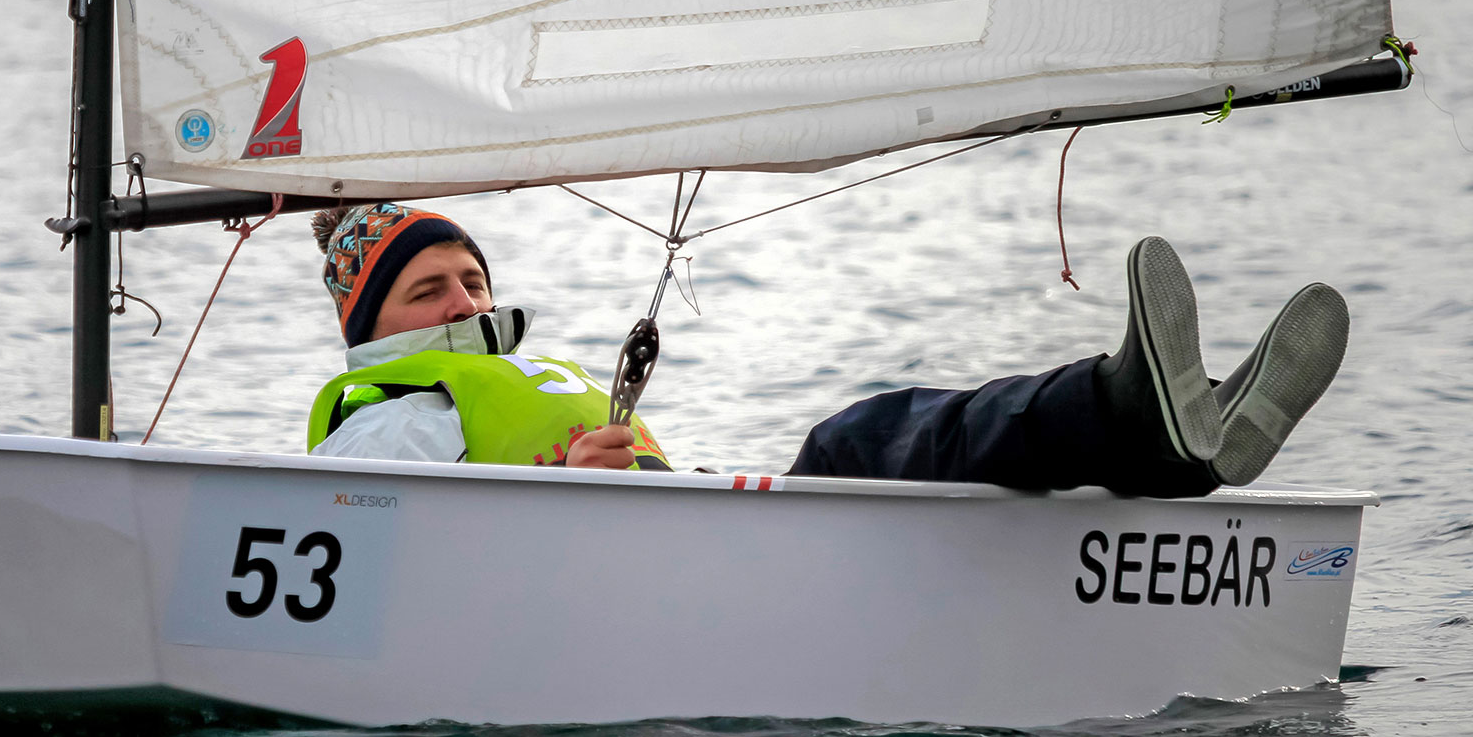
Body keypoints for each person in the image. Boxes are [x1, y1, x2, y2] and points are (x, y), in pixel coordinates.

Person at [305, 203, 1350, 496]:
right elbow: (392, 559)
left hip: (690, 546)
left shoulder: (514, 376)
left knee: (897, 444)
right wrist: (561, 500)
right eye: (430, 288)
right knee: (856, 440)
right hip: (669, 583)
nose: (465, 298)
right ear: (369, 327)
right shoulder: (390, 424)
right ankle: (1133, 412)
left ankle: (1168, 448)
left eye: (473, 277)